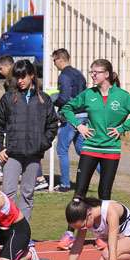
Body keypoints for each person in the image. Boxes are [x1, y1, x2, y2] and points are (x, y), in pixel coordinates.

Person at [57, 59, 130, 250]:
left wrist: (123, 127)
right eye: (91, 72)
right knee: (79, 193)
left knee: (104, 194)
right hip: (90, 148)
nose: (92, 75)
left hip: (111, 150)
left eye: (96, 72)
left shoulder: (122, 96)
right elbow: (67, 108)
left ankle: (102, 235)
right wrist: (79, 126)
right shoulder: (89, 94)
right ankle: (69, 233)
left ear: (106, 74)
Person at [0, 60, 59, 222]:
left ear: (32, 75)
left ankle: (23, 230)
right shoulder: (8, 98)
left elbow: (52, 124)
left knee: (28, 193)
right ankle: (6, 230)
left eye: (23, 77)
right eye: (17, 77)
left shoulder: (44, 99)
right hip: (12, 154)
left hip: (34, 154)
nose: (20, 81)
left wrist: (43, 143)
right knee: (8, 194)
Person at [52, 48, 88, 193]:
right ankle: (104, 173)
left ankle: (65, 185)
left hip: (72, 116)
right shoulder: (79, 74)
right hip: (84, 115)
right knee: (82, 149)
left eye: (54, 60)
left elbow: (65, 99)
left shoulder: (64, 76)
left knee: (61, 149)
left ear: (60, 59)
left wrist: (53, 99)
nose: (54, 64)